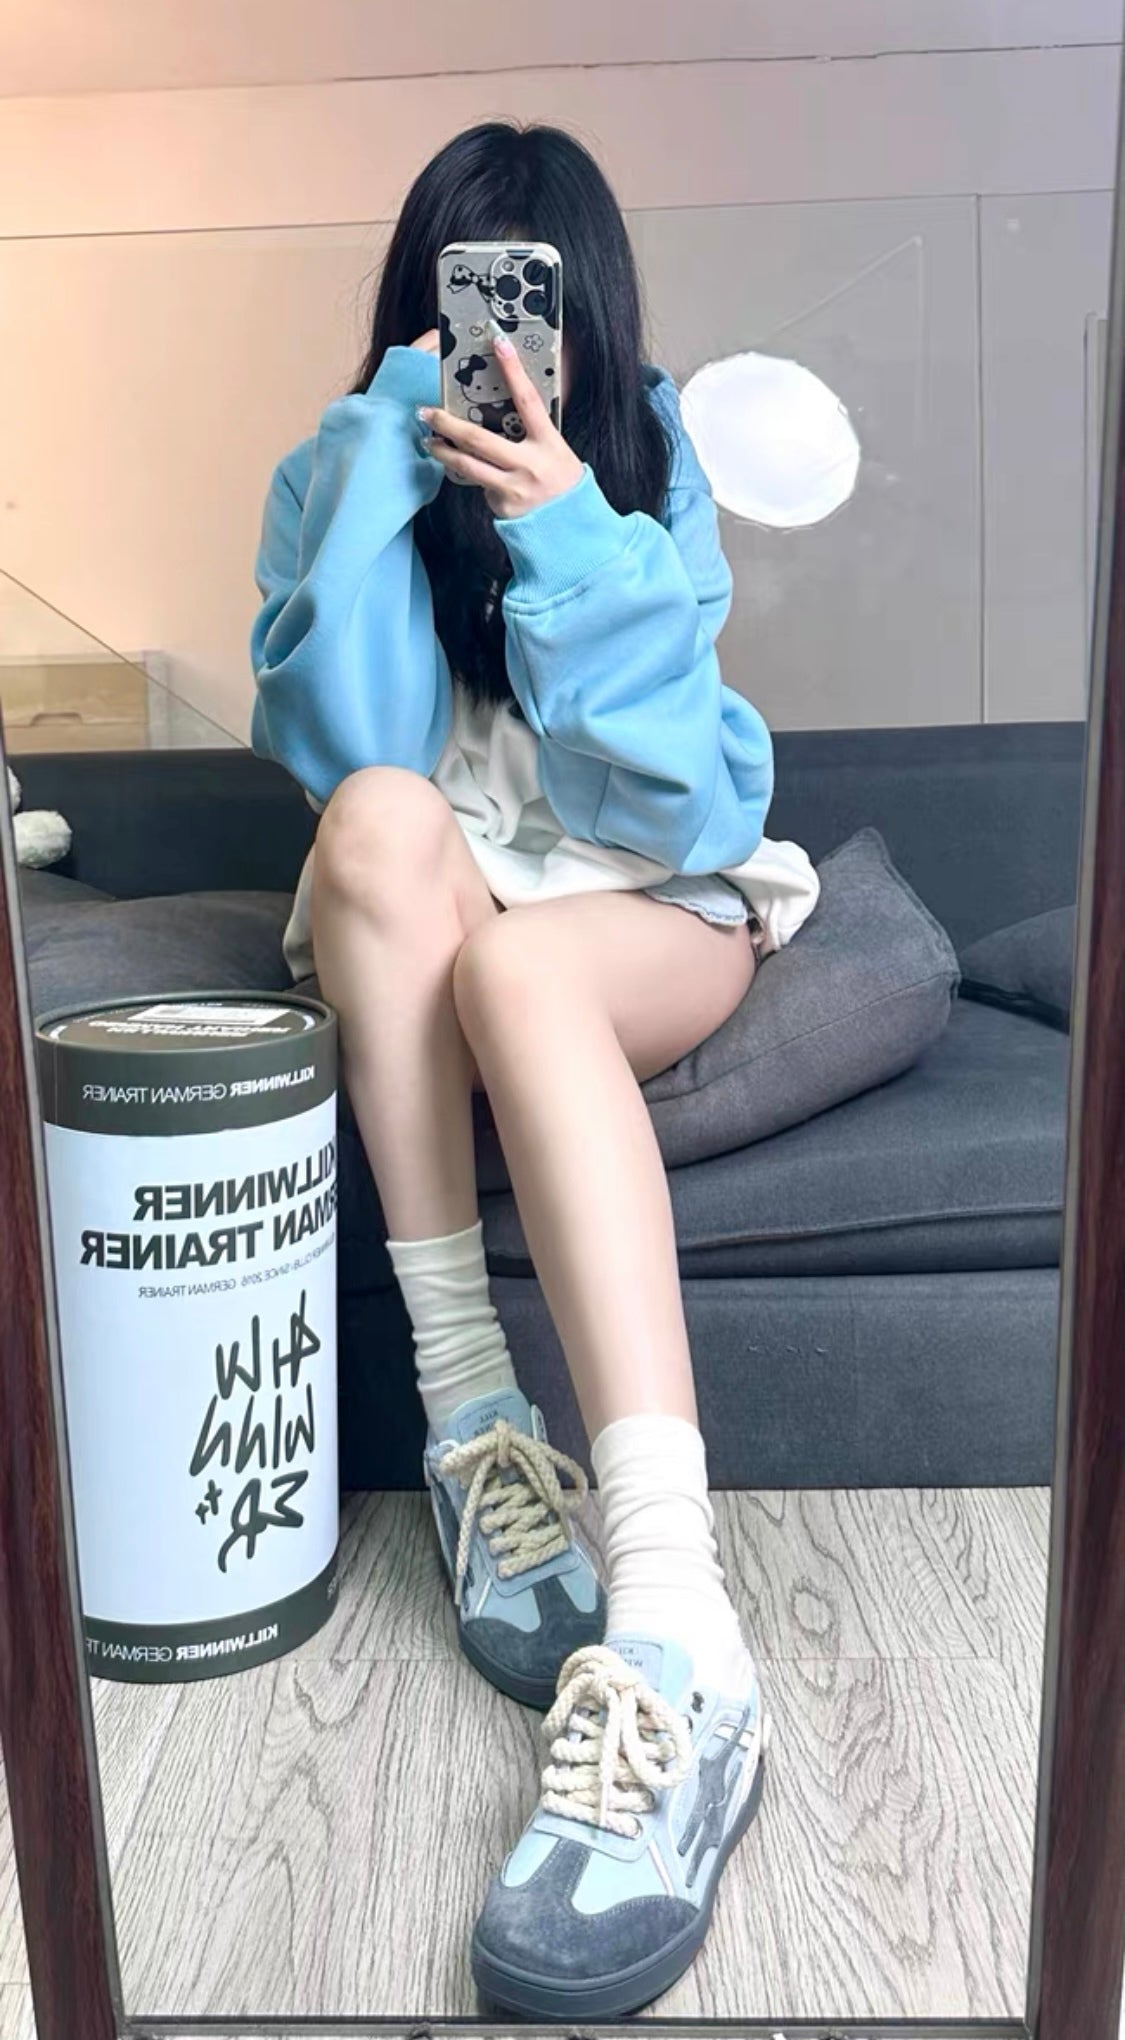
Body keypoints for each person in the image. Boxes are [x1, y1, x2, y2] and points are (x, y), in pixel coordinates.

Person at [250, 119, 817, 2021]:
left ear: (588, 312)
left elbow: (675, 801)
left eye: (528, 302)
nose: (496, 342)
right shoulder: (345, 464)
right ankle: (477, 1424)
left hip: (637, 894)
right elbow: (348, 755)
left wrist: (569, 524)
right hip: (445, 873)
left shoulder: (648, 463)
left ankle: (675, 1623)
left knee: (519, 975)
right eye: (460, 294)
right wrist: (379, 470)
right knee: (382, 820)